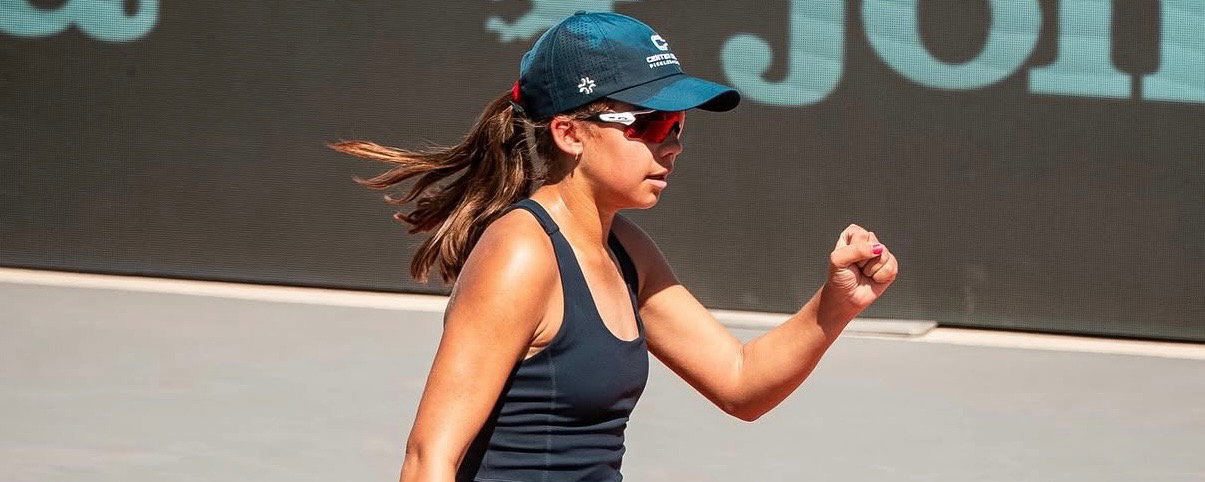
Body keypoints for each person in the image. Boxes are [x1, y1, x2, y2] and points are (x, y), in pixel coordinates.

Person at [332, 11, 898, 482]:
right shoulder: (521, 255)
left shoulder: (625, 248)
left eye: (677, 124)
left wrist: (837, 302)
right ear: (570, 132)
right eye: (649, 125)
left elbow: (740, 382)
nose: (671, 145)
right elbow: (429, 458)